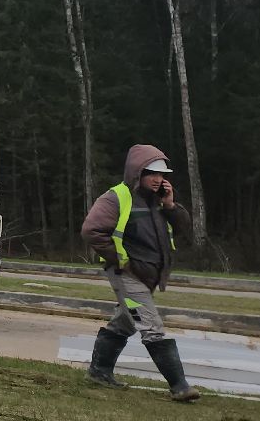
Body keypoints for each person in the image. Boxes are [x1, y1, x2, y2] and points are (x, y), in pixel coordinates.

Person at [81, 144, 198, 402]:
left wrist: (170, 205)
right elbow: (91, 231)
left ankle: (99, 372)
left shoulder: (158, 201)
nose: (158, 179)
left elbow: (183, 228)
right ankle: (180, 387)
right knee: (151, 326)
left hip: (148, 276)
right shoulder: (115, 198)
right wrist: (120, 261)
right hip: (127, 277)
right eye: (152, 174)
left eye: (162, 175)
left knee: (125, 321)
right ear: (137, 173)